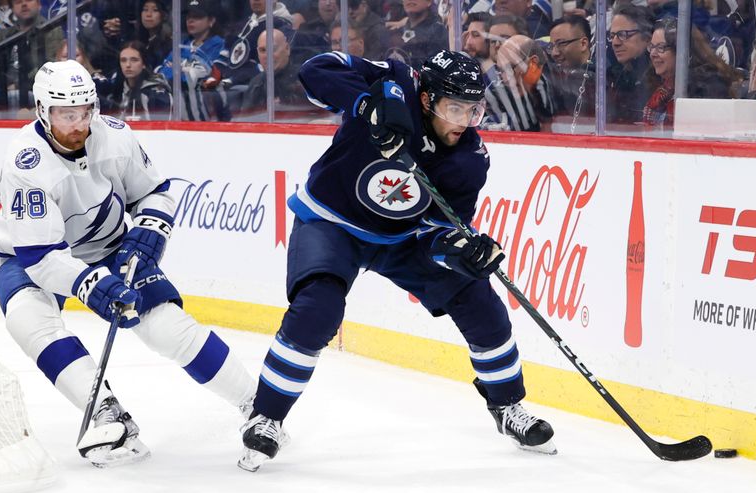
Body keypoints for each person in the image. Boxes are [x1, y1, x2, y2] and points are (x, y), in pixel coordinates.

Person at [238, 49, 556, 471]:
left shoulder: (468, 159)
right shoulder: (397, 81)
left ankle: (508, 407)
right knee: (318, 309)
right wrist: (368, 103)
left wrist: (464, 252)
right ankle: (267, 416)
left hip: (403, 240)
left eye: (473, 111)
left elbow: (441, 230)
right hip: (333, 221)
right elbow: (315, 71)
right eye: (453, 108)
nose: (462, 121)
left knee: (483, 307)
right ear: (427, 99)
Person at [0, 59, 269, 468]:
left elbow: (155, 192)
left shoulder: (115, 137)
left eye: (85, 111)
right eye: (67, 114)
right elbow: (41, 259)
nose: (79, 123)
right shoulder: (25, 163)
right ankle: (106, 413)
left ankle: (259, 407)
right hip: (30, 257)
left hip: (107, 245)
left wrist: (153, 227)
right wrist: (91, 285)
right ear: (41, 111)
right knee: (27, 320)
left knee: (166, 327)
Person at [642, 17, 737, 129]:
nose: (653, 54)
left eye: (661, 47)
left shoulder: (707, 88)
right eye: (651, 47)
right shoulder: (657, 85)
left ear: (683, 51)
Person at [156, 0, 223, 121]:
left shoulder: (219, 45)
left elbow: (200, 76)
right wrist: (183, 71)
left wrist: (177, 70)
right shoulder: (181, 45)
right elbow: (161, 72)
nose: (190, 20)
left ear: (211, 21)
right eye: (189, 16)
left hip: (206, 110)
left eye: (197, 17)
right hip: (176, 105)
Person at [483, 34, 555, 131]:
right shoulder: (495, 92)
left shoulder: (556, 85)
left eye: (510, 69)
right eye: (501, 70)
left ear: (533, 63)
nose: (504, 79)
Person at [606, 4, 653, 125]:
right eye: (612, 36)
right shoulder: (614, 76)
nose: (615, 43)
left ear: (647, 38)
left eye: (623, 35)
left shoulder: (658, 79)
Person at [108, 41, 172, 120]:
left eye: (134, 60)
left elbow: (162, 126)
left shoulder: (157, 94)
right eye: (123, 60)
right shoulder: (117, 92)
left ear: (144, 64)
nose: (128, 65)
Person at [548, 15, 595, 121]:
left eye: (561, 43)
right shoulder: (558, 74)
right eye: (551, 46)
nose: (554, 53)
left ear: (583, 44)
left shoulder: (600, 78)